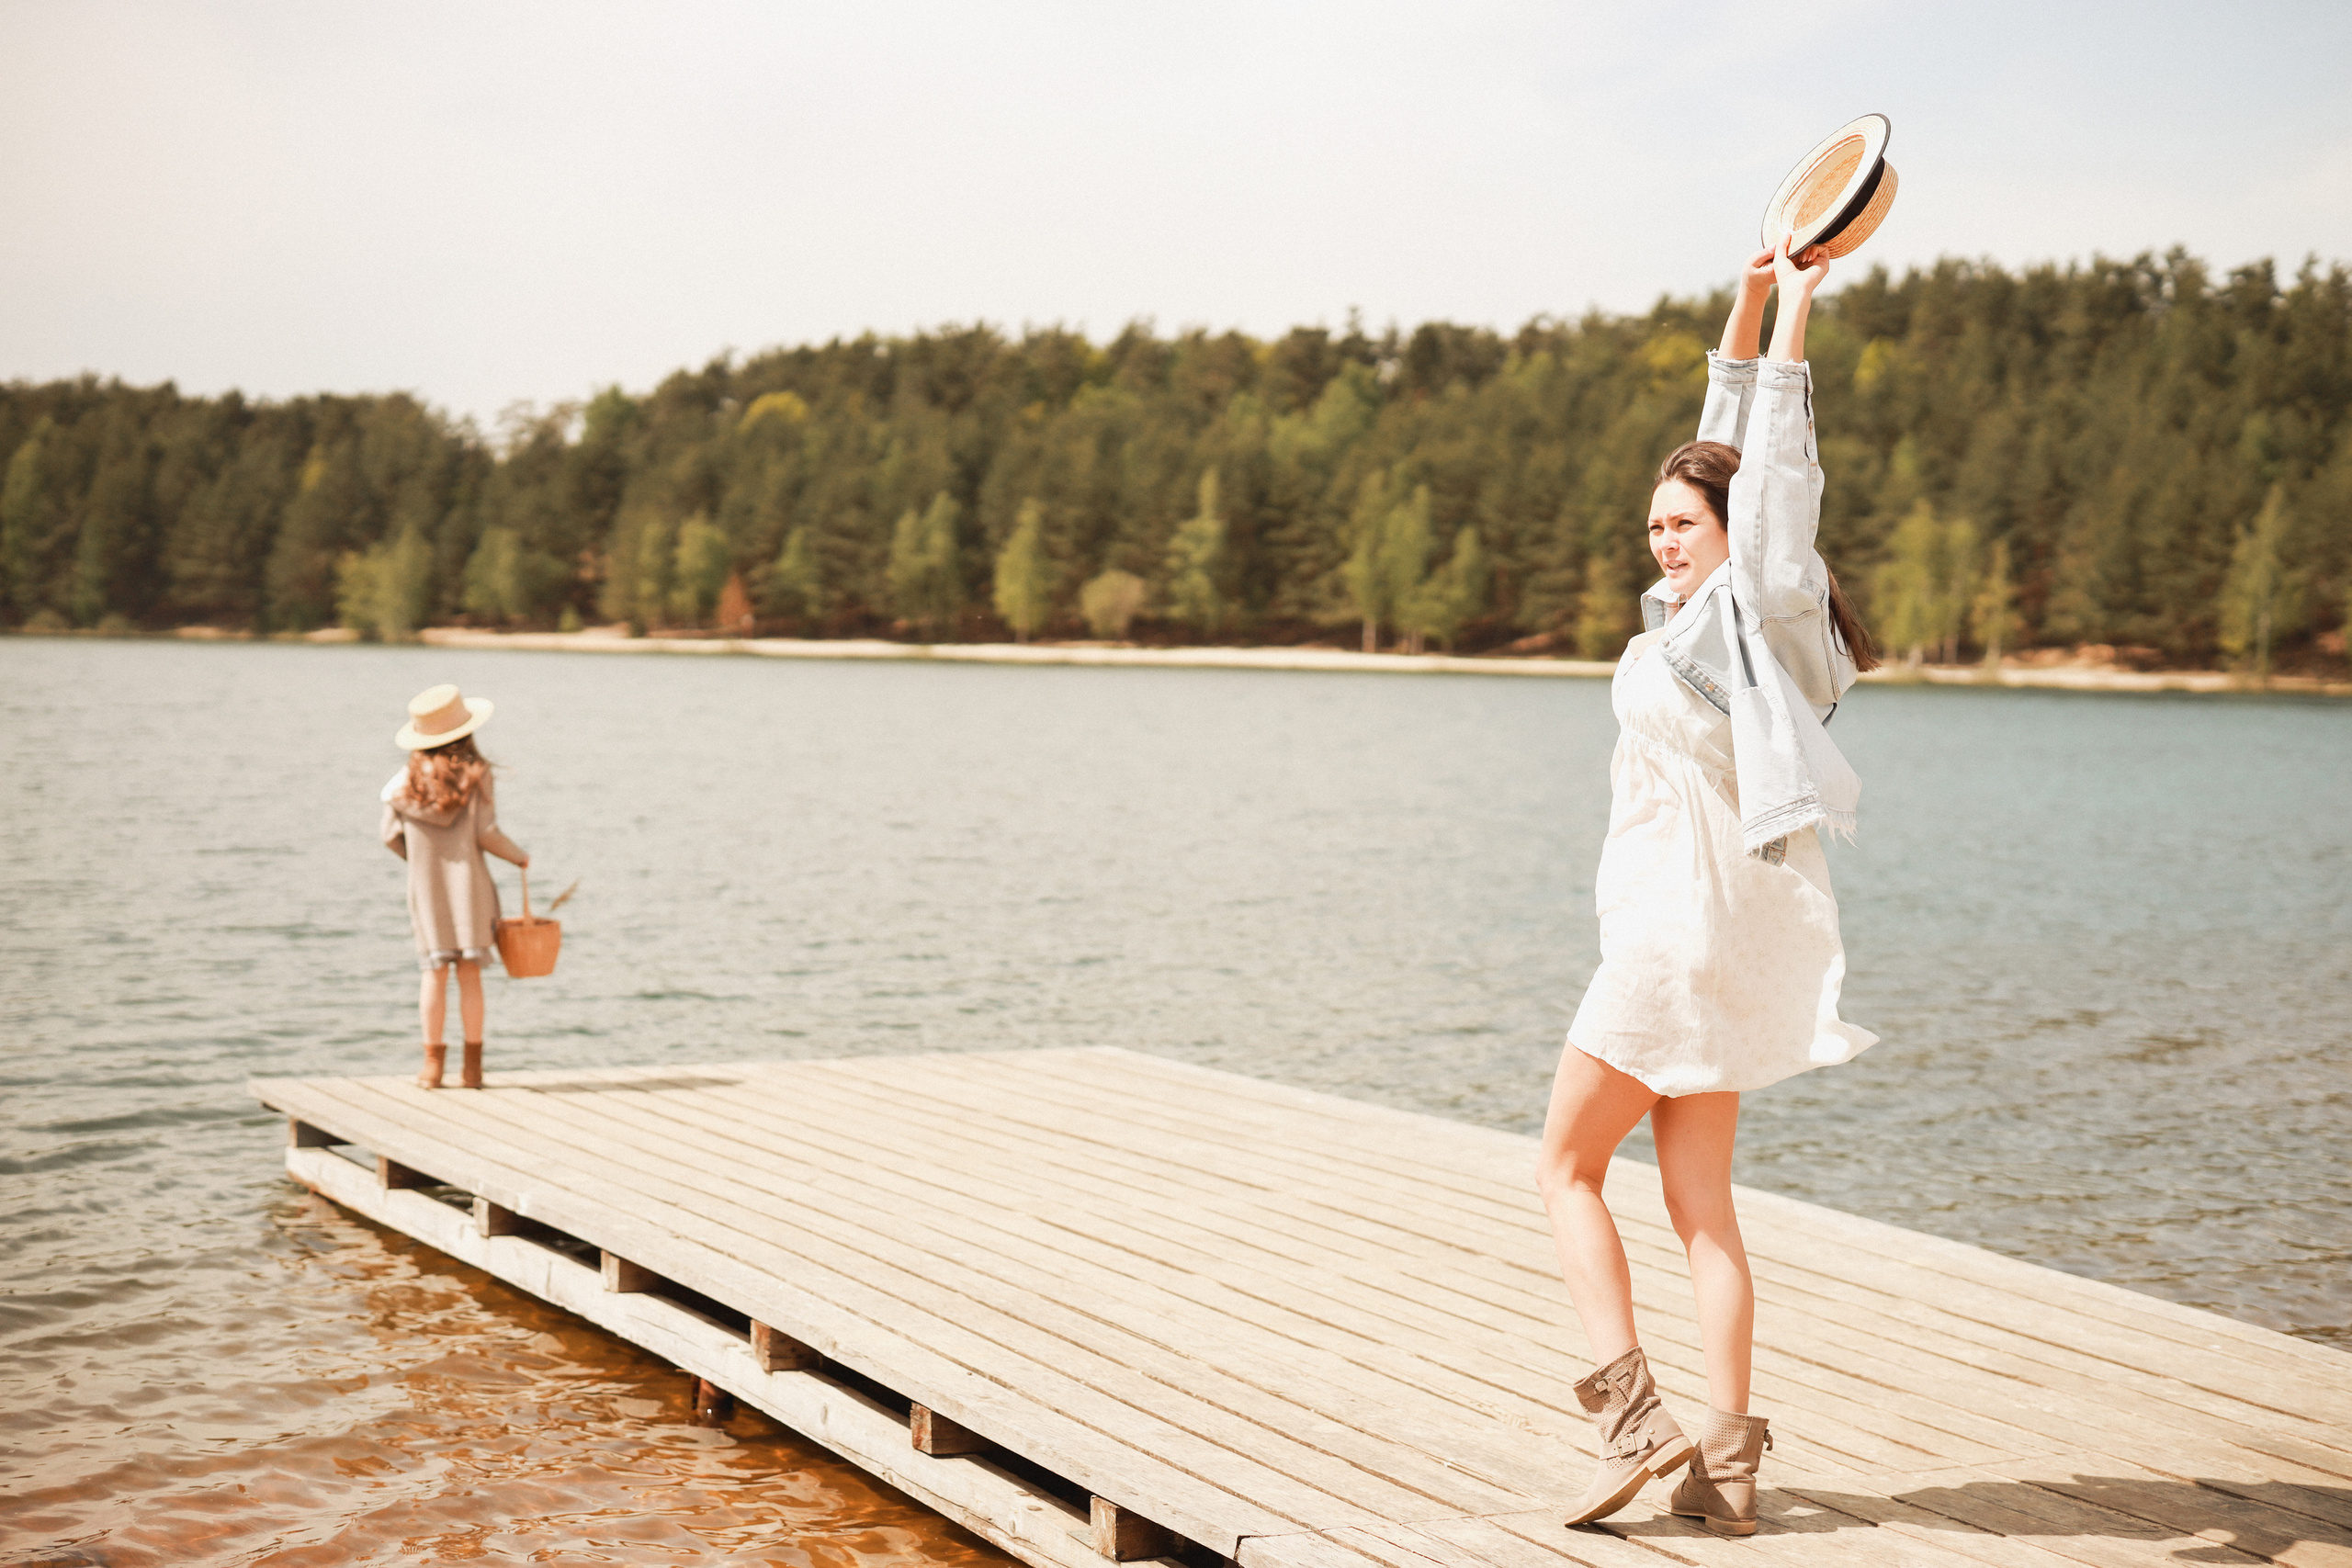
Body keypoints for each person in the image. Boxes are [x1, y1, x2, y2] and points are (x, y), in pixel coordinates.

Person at [1542, 235, 1882, 1537]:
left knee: (1565, 1168)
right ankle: (1728, 1468)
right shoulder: (1701, 611)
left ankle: (1634, 1421)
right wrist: (1741, 315)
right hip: (1730, 940)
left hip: (1674, 937)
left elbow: (1771, 475)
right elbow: (1723, 453)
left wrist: (1797, 315)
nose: (1663, 538)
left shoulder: (1762, 603)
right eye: (1652, 525)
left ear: (1733, 538)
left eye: (1680, 524)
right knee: (1701, 1204)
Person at [380, 683, 528, 1089]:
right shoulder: (476, 774)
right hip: (471, 891)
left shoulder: (404, 783)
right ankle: (473, 1069)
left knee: (433, 974)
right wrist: (519, 856)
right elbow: (487, 833)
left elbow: (389, 836)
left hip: (426, 893)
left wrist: (421, 863)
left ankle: (431, 1067)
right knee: (469, 975)